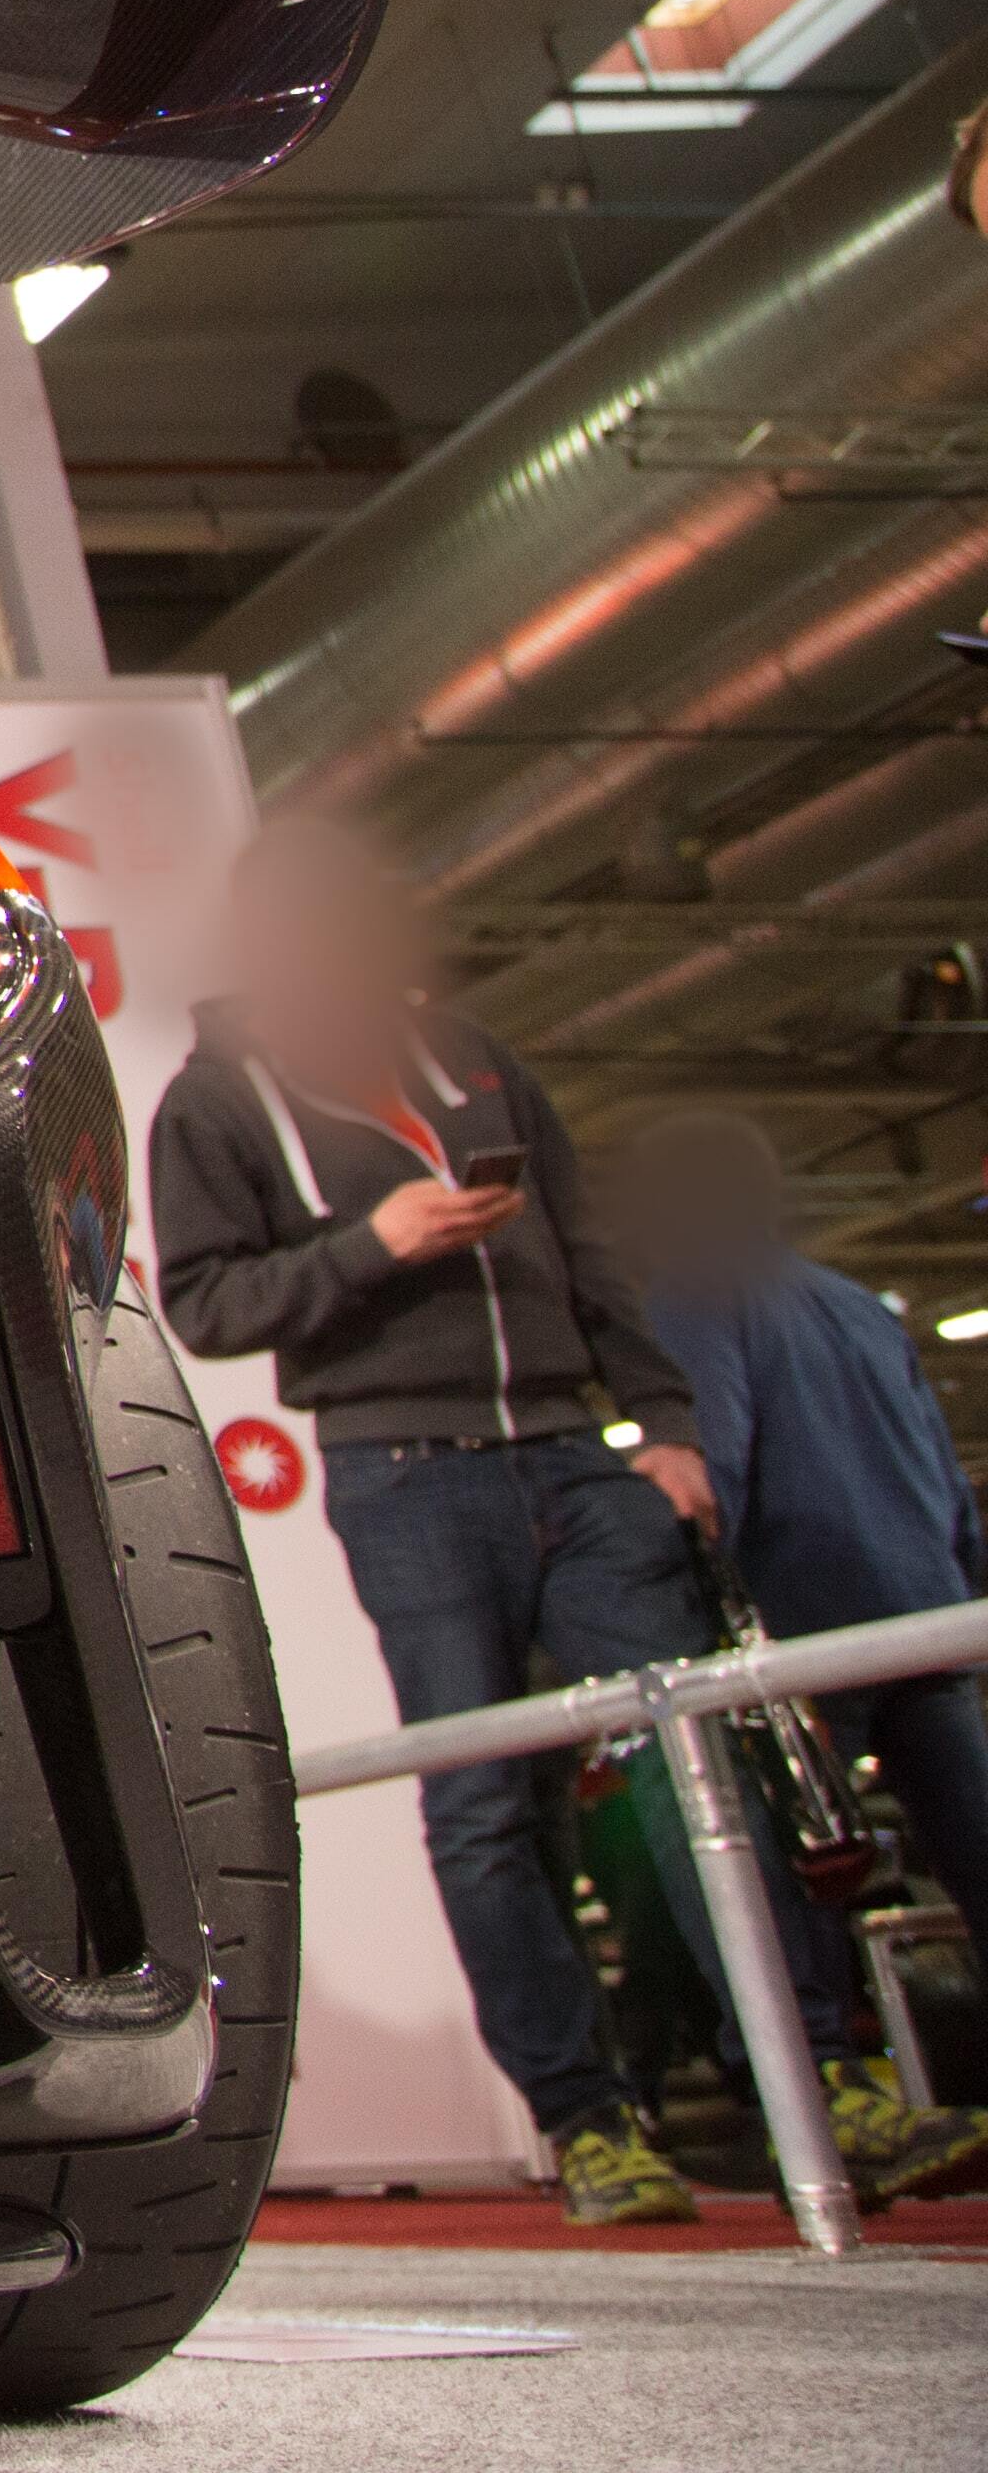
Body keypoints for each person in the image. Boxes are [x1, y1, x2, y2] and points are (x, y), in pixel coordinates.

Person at [151, 817, 985, 2221]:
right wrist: (377, 1245)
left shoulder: (472, 1058)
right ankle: (591, 2121)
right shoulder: (214, 1103)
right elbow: (207, 1301)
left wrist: (660, 1426)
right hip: (406, 1474)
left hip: (566, 1451)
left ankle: (827, 2076)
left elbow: (589, 1252)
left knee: (696, 1745)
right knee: (485, 1801)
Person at [611, 1109, 988, 2136]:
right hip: (926, 1612)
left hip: (807, 1623)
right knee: (974, 1847)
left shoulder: (696, 1292)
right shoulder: (860, 1305)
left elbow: (714, 1461)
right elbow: (950, 1484)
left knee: (803, 1862)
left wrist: (652, 1569)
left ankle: (835, 2097)